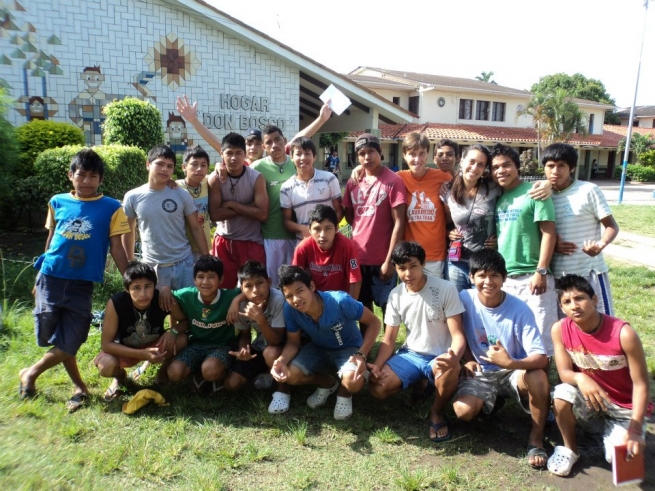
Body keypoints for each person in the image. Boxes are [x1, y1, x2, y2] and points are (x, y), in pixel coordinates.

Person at [18, 149, 130, 411]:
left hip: (82, 283)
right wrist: (39, 275)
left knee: (74, 337)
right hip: (51, 277)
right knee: (54, 336)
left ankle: (31, 373)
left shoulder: (112, 207)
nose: (87, 181)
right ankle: (80, 386)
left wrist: (129, 281)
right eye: (82, 175)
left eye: (93, 176)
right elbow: (51, 239)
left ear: (101, 180)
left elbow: (116, 247)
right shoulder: (57, 202)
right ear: (71, 176)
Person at [452, 249, 550, 469]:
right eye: (482, 275)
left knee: (538, 377)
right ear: (471, 277)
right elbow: (455, 333)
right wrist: (467, 358)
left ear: (504, 278)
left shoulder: (520, 310)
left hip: (513, 371)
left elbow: (541, 358)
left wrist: (511, 363)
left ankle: (536, 438)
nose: (488, 281)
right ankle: (494, 400)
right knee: (462, 411)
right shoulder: (463, 299)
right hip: (482, 371)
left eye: (495, 275)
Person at [547, 274, 651, 477]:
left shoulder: (623, 333)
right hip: (592, 401)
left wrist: (636, 430)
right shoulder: (559, 329)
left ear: (594, 300)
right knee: (561, 393)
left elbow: (641, 385)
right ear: (561, 307)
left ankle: (614, 434)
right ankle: (570, 449)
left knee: (622, 461)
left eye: (580, 298)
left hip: (624, 407)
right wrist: (580, 378)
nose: (574, 306)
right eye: (567, 302)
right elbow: (564, 373)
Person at [368, 242, 465, 442]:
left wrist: (452, 356)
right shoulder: (395, 295)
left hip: (440, 355)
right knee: (378, 389)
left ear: (423, 264)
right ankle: (420, 382)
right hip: (411, 354)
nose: (408, 273)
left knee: (450, 369)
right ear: (395, 268)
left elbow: (458, 335)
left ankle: (436, 412)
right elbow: (389, 340)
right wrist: (376, 367)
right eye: (402, 268)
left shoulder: (446, 289)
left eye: (413, 266)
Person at [271, 265, 381, 420]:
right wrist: (281, 360)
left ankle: (344, 391)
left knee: (353, 382)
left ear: (312, 286)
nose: (295, 300)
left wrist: (362, 353)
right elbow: (293, 343)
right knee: (290, 375)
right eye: (289, 296)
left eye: (300, 291)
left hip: (349, 348)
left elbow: (375, 323)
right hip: (317, 348)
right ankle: (327, 383)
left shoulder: (340, 301)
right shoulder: (290, 310)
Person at [122, 145, 209, 311]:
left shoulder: (181, 194)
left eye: (170, 166)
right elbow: (128, 230)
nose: (164, 169)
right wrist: (130, 261)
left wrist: (206, 258)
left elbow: (196, 228)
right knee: (158, 312)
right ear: (148, 164)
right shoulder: (132, 196)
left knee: (189, 310)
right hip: (154, 266)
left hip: (184, 263)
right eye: (160, 164)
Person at [491, 143, 557, 355]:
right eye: (495, 167)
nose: (501, 171)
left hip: (533, 277)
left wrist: (541, 271)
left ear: (517, 167)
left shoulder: (535, 193)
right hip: (507, 278)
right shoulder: (499, 198)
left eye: (506, 165)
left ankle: (541, 386)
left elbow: (549, 233)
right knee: (512, 335)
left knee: (541, 339)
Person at [542, 143, 619, 316]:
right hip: (558, 275)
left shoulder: (588, 190)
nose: (555, 171)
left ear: (572, 168)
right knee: (567, 324)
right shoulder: (543, 195)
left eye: (561, 165)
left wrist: (600, 245)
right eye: (550, 166)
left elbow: (611, 226)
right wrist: (553, 246)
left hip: (589, 271)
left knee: (600, 320)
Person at [94, 262, 187, 400]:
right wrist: (142, 354)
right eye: (136, 288)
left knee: (182, 339)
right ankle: (120, 377)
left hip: (155, 346)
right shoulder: (116, 303)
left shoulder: (161, 298)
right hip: (125, 349)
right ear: (127, 289)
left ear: (154, 286)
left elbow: (185, 322)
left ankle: (161, 374)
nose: (143, 294)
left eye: (147, 287)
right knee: (106, 366)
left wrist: (172, 331)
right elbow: (106, 344)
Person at [342, 133, 406, 334]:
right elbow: (350, 215)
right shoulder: (354, 181)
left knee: (388, 306)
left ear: (381, 152)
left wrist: (390, 260)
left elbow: (399, 222)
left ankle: (389, 347)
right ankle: (366, 344)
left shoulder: (392, 181)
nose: (367, 157)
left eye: (371, 152)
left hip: (382, 258)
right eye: (362, 153)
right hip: (359, 256)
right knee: (363, 304)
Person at [166, 255, 244, 392]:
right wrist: (165, 289)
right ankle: (198, 374)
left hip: (223, 345)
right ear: (194, 280)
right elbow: (167, 295)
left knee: (210, 370)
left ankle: (221, 372)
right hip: (196, 344)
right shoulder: (187, 295)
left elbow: (249, 290)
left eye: (211, 277)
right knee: (174, 373)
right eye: (201, 277)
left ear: (221, 280)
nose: (205, 282)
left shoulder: (229, 296)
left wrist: (237, 300)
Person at [208, 132, 268, 289]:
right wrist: (249, 207)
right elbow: (215, 214)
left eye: (238, 153)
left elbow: (262, 214)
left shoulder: (256, 177)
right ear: (222, 154)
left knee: (254, 290)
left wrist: (231, 205)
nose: (234, 158)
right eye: (229, 153)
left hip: (251, 241)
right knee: (223, 289)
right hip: (224, 242)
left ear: (245, 154)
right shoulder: (215, 178)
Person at [223, 261, 286, 398]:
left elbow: (276, 340)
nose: (255, 290)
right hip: (261, 346)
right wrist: (243, 350)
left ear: (269, 282)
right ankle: (266, 371)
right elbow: (245, 335)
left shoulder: (278, 300)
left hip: (283, 347)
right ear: (242, 290)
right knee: (231, 384)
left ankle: (283, 391)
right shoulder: (241, 305)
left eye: (260, 283)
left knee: (271, 352)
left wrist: (260, 319)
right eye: (249, 286)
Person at [397, 132, 452, 278]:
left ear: (428, 154)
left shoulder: (442, 177)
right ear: (404, 155)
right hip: (410, 256)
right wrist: (360, 170)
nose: (417, 159)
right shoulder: (399, 178)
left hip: (435, 255)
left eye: (422, 153)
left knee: (435, 298)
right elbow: (377, 175)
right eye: (412, 154)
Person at [292, 204, 361, 299]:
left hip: (342, 301)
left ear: (336, 228)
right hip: (315, 300)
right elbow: (296, 280)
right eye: (317, 229)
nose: (322, 235)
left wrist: (350, 308)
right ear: (310, 230)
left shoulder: (347, 246)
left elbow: (355, 281)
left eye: (328, 228)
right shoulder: (303, 248)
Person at [280, 137, 342, 240]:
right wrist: (302, 228)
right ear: (291, 157)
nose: (303, 157)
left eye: (307, 153)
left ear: (314, 157)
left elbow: (339, 210)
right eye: (298, 154)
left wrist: (326, 230)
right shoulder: (286, 188)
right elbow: (287, 222)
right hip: (304, 243)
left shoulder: (329, 179)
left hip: (330, 242)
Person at [176, 145, 212, 260]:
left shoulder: (208, 182)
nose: (199, 169)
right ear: (184, 167)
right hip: (183, 250)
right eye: (194, 164)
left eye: (203, 165)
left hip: (204, 247)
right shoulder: (175, 187)